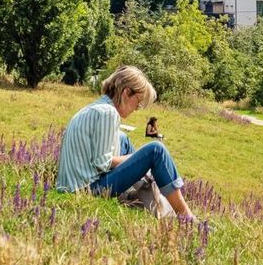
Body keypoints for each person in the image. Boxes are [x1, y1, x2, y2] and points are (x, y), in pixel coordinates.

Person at [55, 66, 193, 218]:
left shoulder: (97, 107)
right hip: (86, 191)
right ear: (127, 92)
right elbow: (102, 163)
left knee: (123, 138)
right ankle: (185, 217)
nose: (137, 109)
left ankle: (148, 198)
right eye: (138, 102)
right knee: (156, 150)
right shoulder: (109, 113)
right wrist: (138, 159)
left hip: (71, 187)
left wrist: (138, 161)